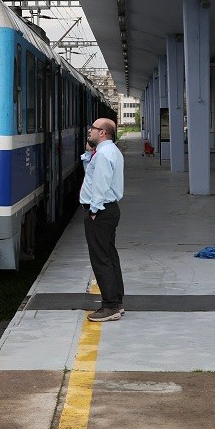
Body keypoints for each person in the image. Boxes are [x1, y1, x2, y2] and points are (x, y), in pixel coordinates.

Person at [80, 117, 125, 322]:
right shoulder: (108, 151)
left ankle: (110, 306)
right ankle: (116, 301)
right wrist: (88, 154)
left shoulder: (104, 154)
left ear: (102, 132)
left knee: (100, 259)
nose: (89, 130)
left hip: (101, 211)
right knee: (109, 255)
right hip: (108, 210)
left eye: (93, 128)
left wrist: (94, 209)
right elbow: (92, 177)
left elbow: (100, 183)